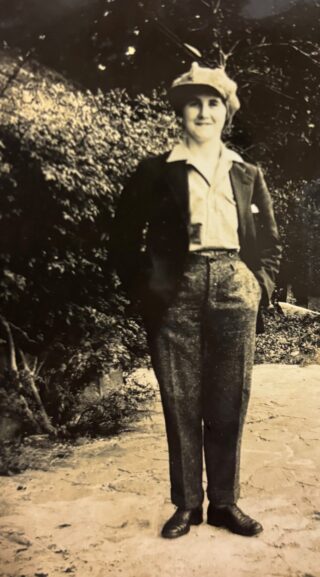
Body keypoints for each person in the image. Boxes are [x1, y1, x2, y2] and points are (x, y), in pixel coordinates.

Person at [110, 62, 281, 538]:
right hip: (174, 291)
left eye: (213, 103)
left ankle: (224, 503)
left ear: (226, 113)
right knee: (180, 398)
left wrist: (258, 285)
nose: (204, 112)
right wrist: (146, 291)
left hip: (233, 285)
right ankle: (186, 504)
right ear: (180, 112)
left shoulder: (246, 173)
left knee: (229, 399)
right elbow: (122, 239)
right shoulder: (154, 171)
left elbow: (268, 241)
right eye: (194, 103)